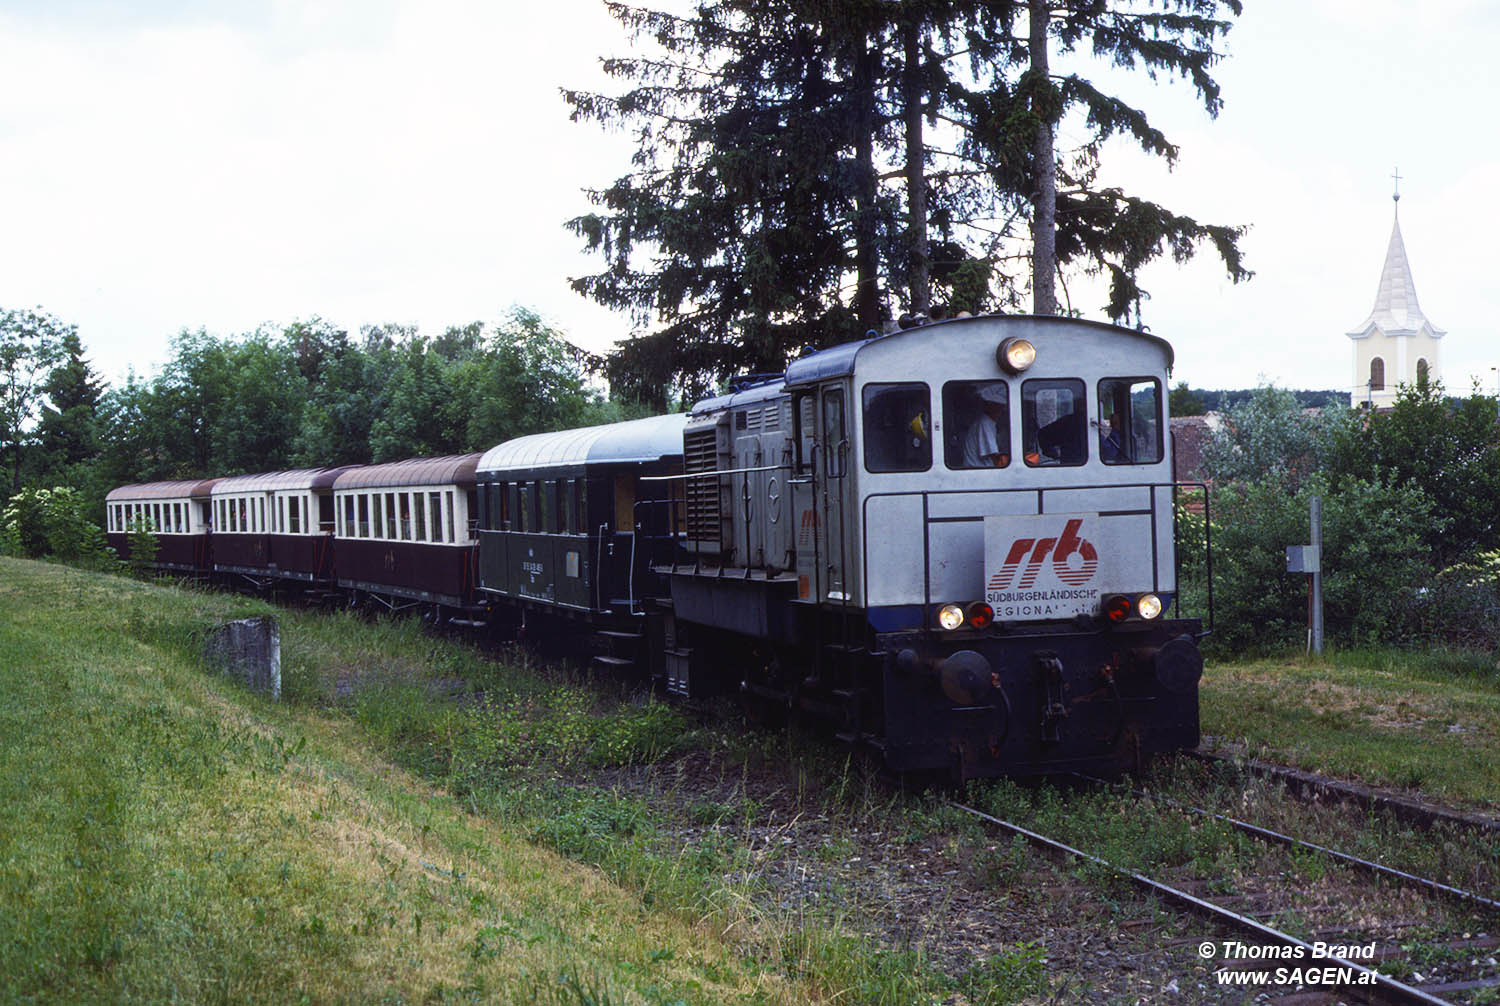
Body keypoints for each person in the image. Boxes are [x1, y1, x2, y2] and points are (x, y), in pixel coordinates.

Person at [962, 384, 1010, 467]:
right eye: (1000, 406)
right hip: (977, 470)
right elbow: (994, 455)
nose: (1002, 410)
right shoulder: (985, 422)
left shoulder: (989, 422)